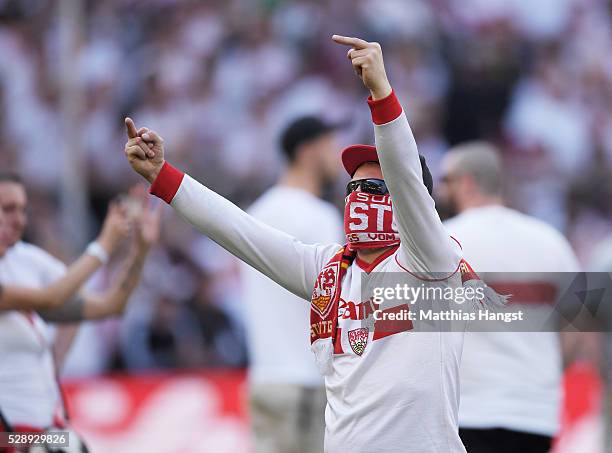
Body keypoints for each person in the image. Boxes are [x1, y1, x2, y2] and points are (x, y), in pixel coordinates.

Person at [123, 35, 479, 453]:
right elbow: (239, 231)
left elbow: (404, 172)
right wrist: (163, 176)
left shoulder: (433, 260)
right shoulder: (330, 269)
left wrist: (382, 93)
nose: (358, 196)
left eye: (373, 186)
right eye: (354, 187)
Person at [439, 142, 580, 453]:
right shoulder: (551, 241)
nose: (440, 190)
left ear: (467, 182)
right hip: (535, 413)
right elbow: (582, 321)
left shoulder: (445, 242)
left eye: (446, 180)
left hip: (467, 409)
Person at [0, 175, 160, 450]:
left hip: (47, 431)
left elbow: (111, 305)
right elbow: (51, 298)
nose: (20, 220)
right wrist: (104, 245)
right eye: (7, 209)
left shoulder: (28, 260)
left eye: (23, 209)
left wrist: (140, 251)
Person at [243, 116, 343, 453]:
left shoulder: (256, 213)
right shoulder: (319, 216)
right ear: (308, 151)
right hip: (306, 381)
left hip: (266, 377)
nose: (336, 155)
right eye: (329, 145)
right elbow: (336, 296)